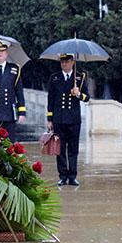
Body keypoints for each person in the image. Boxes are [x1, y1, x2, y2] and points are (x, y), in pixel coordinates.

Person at [46, 53, 89, 186]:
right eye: (62, 61)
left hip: (74, 119)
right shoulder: (54, 78)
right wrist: (50, 119)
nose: (64, 64)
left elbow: (87, 98)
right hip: (59, 119)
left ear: (73, 62)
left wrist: (78, 94)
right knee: (60, 149)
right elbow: (51, 99)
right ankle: (62, 176)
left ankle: (73, 176)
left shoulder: (80, 78)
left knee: (73, 149)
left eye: (67, 61)